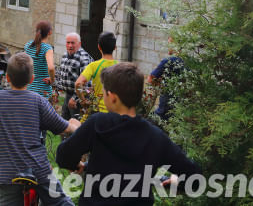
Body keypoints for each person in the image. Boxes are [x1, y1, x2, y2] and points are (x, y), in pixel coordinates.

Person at [56, 63, 201, 205]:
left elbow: (63, 156)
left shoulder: (98, 123)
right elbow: (194, 177)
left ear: (112, 97)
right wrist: (177, 183)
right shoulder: (154, 136)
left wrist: (76, 164)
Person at [0, 52, 79, 206]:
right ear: (31, 79)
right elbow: (63, 128)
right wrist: (74, 124)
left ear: (8, 77)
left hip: (9, 172)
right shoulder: (39, 101)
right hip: (39, 169)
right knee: (62, 202)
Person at [74, 31, 118, 114]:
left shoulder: (94, 66)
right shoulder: (119, 67)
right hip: (114, 111)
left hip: (97, 110)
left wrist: (83, 101)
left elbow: (78, 83)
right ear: (115, 47)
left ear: (99, 47)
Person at [55, 32, 94, 122]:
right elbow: (61, 75)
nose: (70, 45)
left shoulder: (83, 57)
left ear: (79, 44)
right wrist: (56, 91)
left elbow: (86, 83)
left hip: (81, 97)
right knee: (65, 124)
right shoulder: (65, 55)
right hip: (68, 95)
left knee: (77, 125)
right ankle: (66, 136)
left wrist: (75, 98)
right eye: (68, 43)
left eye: (73, 43)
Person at [147, 39, 185, 122]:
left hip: (164, 109)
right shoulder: (185, 61)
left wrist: (159, 83)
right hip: (179, 110)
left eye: (169, 44)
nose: (168, 47)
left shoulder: (168, 61)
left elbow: (150, 79)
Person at [24, 21, 56, 99]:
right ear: (50, 32)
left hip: (28, 89)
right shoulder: (47, 48)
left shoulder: (28, 45)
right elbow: (51, 68)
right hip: (42, 92)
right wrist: (52, 80)